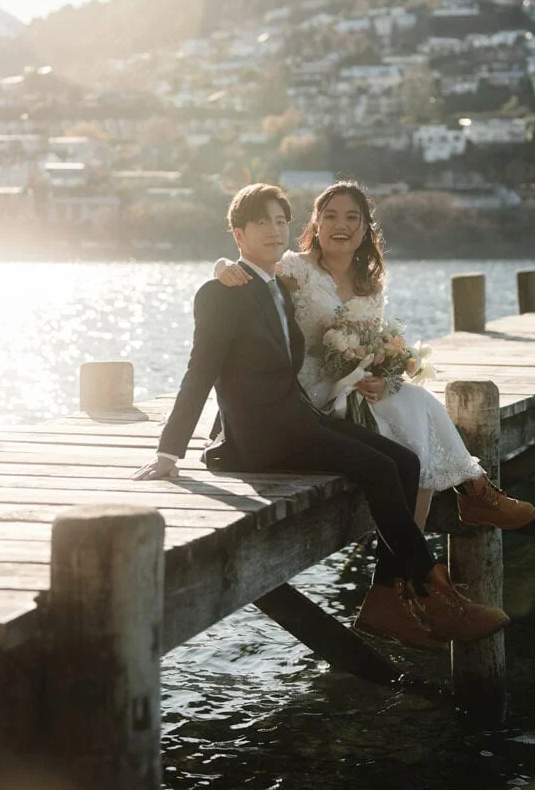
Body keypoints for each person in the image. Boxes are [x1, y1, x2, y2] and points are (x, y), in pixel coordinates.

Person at [132, 183, 510, 650]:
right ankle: (438, 592)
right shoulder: (222, 293)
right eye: (261, 223)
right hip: (262, 439)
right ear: (238, 234)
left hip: (298, 419)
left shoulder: (278, 287)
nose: (273, 231)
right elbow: (200, 371)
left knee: (406, 464)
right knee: (376, 468)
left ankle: (386, 604)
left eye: (280, 221)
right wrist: (170, 451)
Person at [214, 181, 535, 535]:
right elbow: (253, 273)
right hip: (306, 395)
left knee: (414, 410)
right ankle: (470, 498)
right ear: (316, 225)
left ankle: (415, 560)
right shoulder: (295, 269)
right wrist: (222, 266)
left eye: (353, 217)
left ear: (365, 229)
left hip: (354, 389)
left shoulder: (371, 283)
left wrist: (382, 376)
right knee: (416, 410)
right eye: (331, 216)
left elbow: (373, 348)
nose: (341, 225)